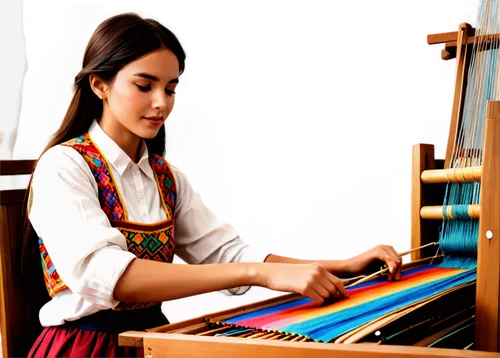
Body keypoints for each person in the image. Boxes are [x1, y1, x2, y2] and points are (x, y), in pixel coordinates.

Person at [22, 10, 403, 357]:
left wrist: (341, 264)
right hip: (85, 349)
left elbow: (227, 250)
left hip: (153, 342)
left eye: (170, 89)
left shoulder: (165, 176)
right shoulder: (64, 166)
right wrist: (261, 273)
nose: (161, 103)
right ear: (99, 84)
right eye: (144, 86)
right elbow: (113, 277)